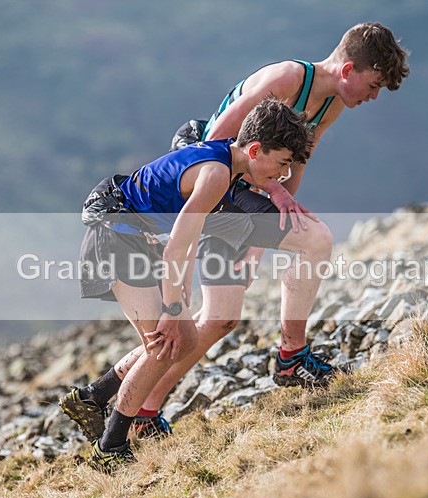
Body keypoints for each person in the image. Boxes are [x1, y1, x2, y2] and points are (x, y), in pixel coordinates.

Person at [61, 22, 410, 443]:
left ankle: (129, 407)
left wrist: (261, 238)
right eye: (373, 85)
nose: (373, 97)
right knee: (315, 240)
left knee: (220, 318)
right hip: (213, 183)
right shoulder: (287, 79)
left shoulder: (332, 104)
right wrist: (246, 213)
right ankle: (292, 357)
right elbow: (215, 142)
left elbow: (294, 166)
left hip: (243, 189)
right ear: (349, 69)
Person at [66, 98, 322, 471]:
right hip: (116, 234)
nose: (283, 175)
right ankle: (110, 447)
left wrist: (181, 286)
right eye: (282, 163)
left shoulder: (227, 162)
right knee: (164, 343)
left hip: (135, 237)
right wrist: (172, 308)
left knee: (182, 340)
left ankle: (92, 397)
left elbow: (187, 233)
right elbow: (176, 245)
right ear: (254, 150)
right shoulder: (217, 174)